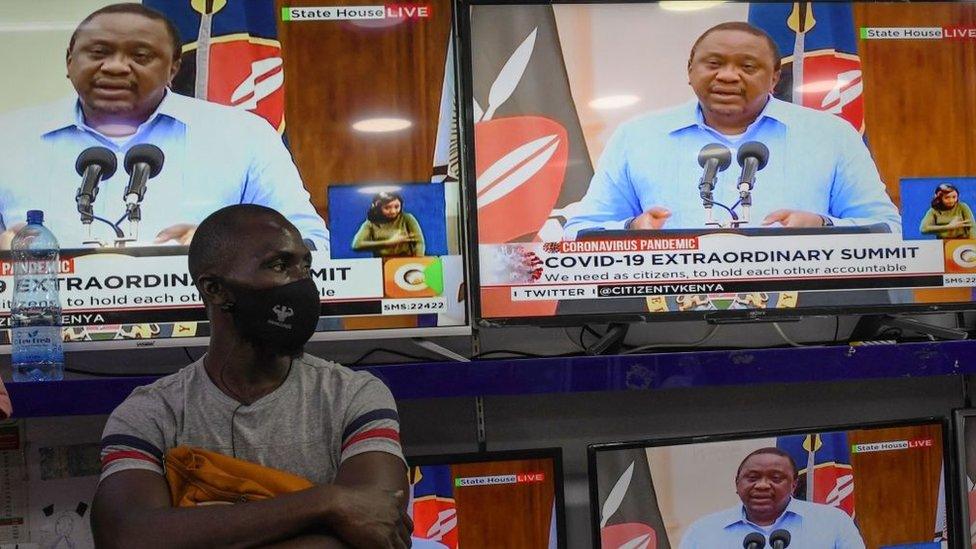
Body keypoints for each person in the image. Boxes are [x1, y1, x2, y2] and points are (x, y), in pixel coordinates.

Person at [91, 204, 409, 548]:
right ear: (215, 289)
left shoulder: (353, 396)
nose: (301, 282)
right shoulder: (147, 414)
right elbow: (127, 537)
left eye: (305, 265)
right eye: (279, 265)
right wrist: (326, 502)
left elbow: (375, 529)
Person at [0, 3, 329, 251]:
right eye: (98, 53)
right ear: (70, 61)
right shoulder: (9, 138)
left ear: (173, 69)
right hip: (42, 334)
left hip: (208, 335)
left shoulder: (244, 135)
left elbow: (310, 243)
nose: (115, 67)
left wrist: (222, 250)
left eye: (140, 56)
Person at [564, 22, 901, 238]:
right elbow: (579, 231)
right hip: (664, 317)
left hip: (807, 315)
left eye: (747, 66)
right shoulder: (637, 137)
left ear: (773, 79)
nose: (727, 76)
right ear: (690, 71)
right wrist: (632, 228)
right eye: (713, 64)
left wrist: (822, 226)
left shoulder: (831, 135)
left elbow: (889, 229)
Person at [680, 447, 864, 548]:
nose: (762, 485)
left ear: (793, 485)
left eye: (776, 478)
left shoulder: (833, 522)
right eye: (752, 478)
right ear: (737, 484)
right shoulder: (702, 531)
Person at [352, 192, 425, 257]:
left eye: (397, 207)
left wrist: (417, 262)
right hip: (384, 263)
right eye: (387, 208)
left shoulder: (407, 218)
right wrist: (389, 243)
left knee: (435, 268)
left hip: (407, 261)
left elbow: (419, 243)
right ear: (378, 208)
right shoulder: (370, 223)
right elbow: (356, 245)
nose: (393, 211)